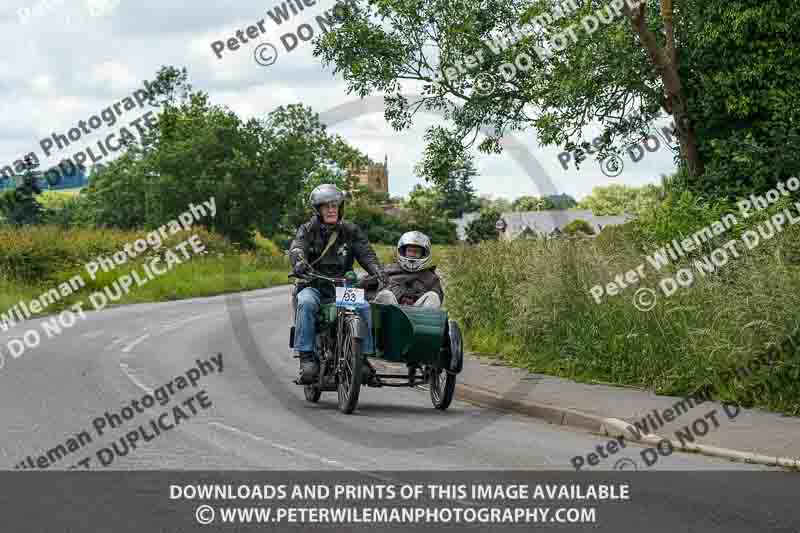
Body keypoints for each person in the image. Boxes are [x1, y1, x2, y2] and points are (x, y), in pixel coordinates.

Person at [289, 184, 386, 384]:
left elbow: (365, 252)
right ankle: (307, 357)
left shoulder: (350, 230)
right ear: (318, 209)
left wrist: (377, 271)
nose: (331, 209)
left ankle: (362, 358)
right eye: (326, 206)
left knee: (365, 306)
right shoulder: (308, 229)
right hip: (314, 285)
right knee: (305, 303)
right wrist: (299, 262)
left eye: (335, 205)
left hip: (343, 288)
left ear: (340, 208)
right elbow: (297, 247)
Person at [374, 231, 444, 308]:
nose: (412, 254)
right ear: (403, 251)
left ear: (423, 254)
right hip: (391, 315)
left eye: (416, 252)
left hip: (417, 315)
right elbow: (368, 290)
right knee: (386, 295)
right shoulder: (388, 270)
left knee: (433, 296)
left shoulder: (431, 278)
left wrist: (415, 295)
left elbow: (438, 299)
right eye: (409, 251)